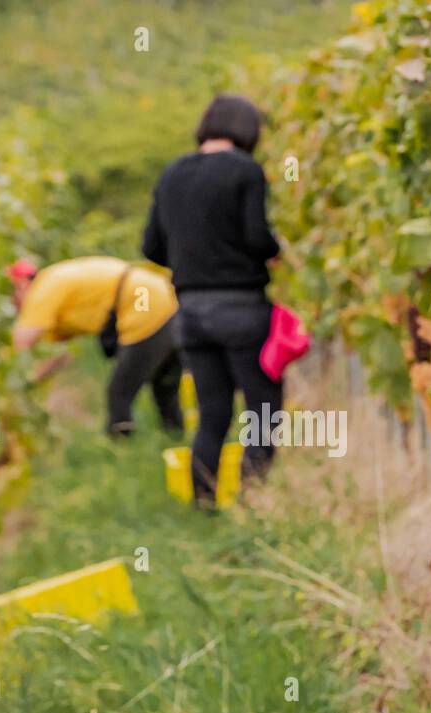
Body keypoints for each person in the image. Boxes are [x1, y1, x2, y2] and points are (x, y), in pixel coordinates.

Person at [142, 94, 283, 506]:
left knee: (213, 414)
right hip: (241, 309)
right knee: (261, 412)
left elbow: (151, 247)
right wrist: (276, 248)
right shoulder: (245, 171)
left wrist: (193, 259)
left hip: (190, 316)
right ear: (247, 130)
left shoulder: (171, 174)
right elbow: (257, 237)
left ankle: (203, 503)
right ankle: (251, 501)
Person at [10, 256, 183, 436]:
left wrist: (16, 384)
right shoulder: (53, 281)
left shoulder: (41, 291)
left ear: (22, 285)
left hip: (145, 305)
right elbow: (62, 353)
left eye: (11, 296)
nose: (13, 305)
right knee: (165, 383)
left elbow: (22, 344)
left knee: (119, 391)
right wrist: (36, 377)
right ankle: (175, 437)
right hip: (161, 295)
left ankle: (121, 446)